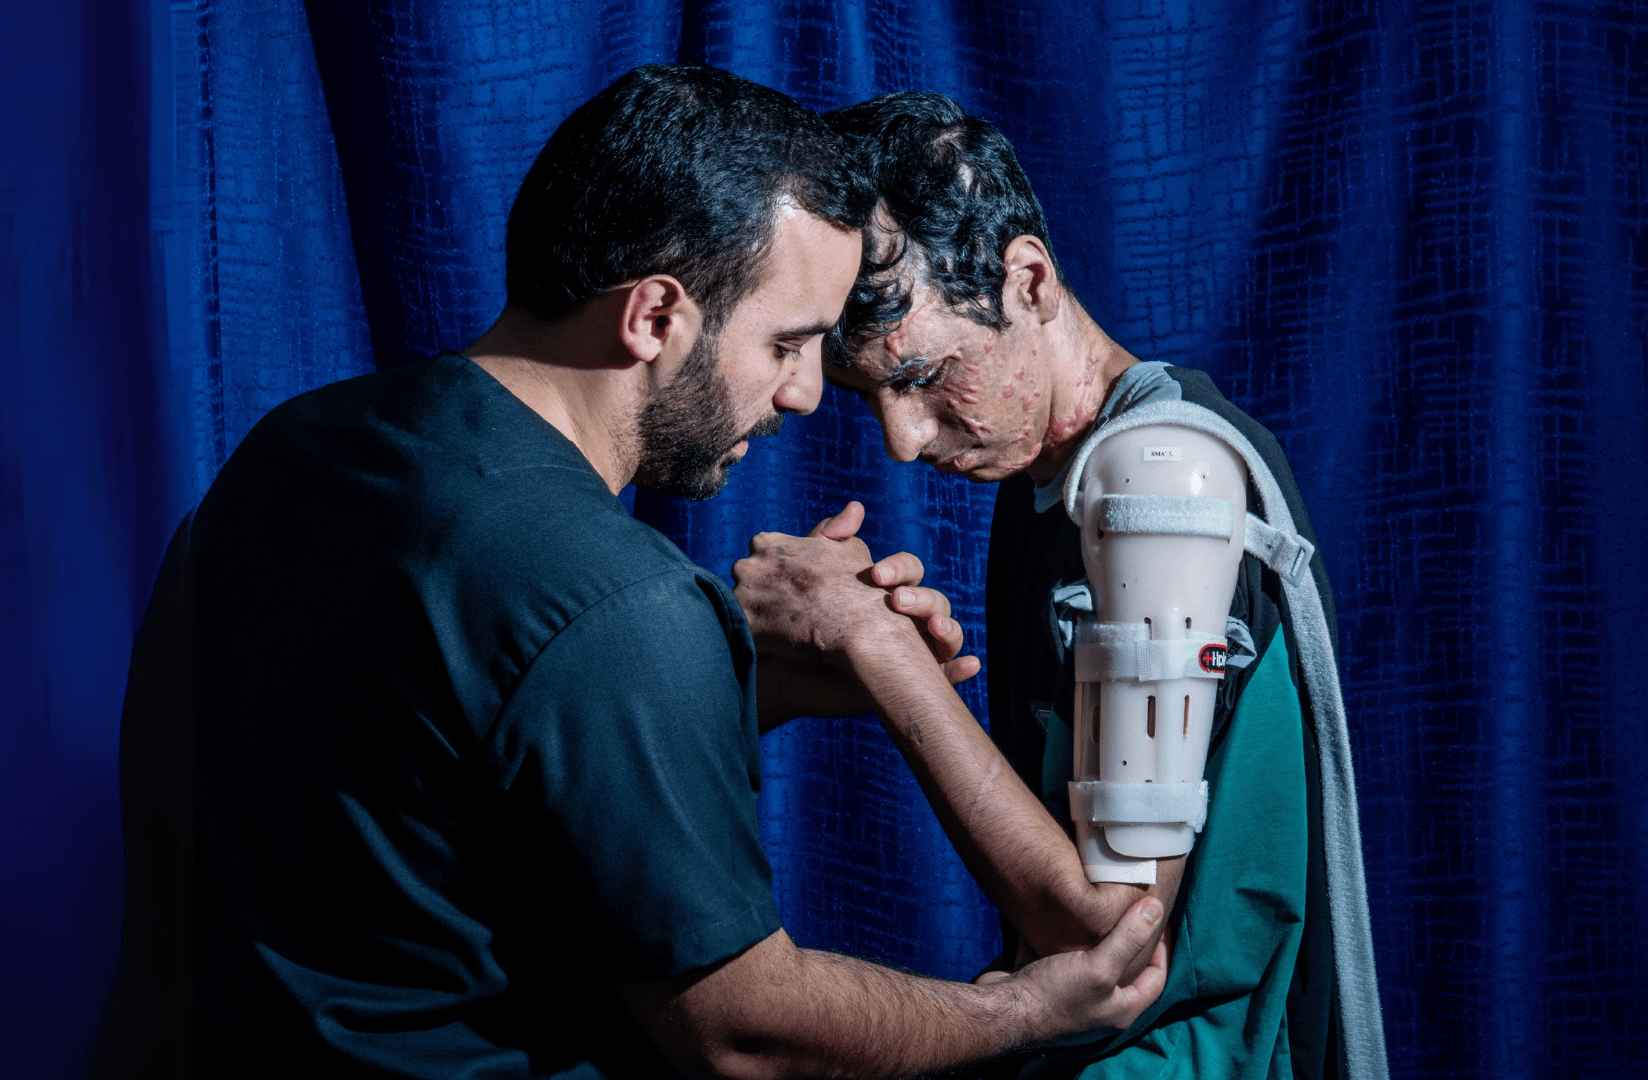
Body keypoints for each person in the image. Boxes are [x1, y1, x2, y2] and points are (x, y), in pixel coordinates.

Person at [90, 66, 1172, 1080]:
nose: (803, 397)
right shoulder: (616, 603)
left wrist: (749, 681)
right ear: (656, 315)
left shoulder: (290, 452)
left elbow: (416, 777)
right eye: (787, 344)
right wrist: (1026, 1010)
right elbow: (740, 1034)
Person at [732, 93, 1387, 1080]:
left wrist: (874, 647)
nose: (903, 443)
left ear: (1027, 278)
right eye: (872, 398)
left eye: (921, 375)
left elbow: (1110, 936)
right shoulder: (1052, 486)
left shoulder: (1161, 477)